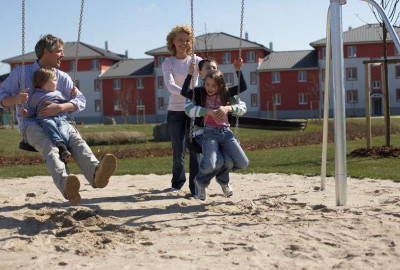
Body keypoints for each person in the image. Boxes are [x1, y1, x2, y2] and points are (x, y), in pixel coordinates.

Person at [0, 34, 117, 206]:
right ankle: (67, 184)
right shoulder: (21, 74)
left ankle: (96, 174)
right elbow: (1, 95)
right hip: (31, 124)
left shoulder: (62, 77)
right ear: (46, 52)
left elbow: (81, 100)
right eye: (59, 51)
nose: (62, 55)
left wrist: (61, 107)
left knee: (76, 140)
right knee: (49, 144)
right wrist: (15, 99)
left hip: (60, 121)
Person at [182, 69, 249, 201]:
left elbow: (243, 107)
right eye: (207, 84)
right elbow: (187, 105)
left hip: (226, 133)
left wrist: (228, 108)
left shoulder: (226, 94)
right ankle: (201, 182)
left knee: (242, 162)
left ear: (220, 85)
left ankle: (221, 179)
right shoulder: (200, 94)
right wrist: (207, 111)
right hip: (209, 133)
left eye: (214, 85)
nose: (210, 88)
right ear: (203, 82)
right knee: (213, 164)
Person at [162, 25, 202, 195]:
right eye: (180, 39)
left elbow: (210, 74)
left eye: (187, 40)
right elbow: (171, 86)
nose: (183, 43)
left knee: (194, 149)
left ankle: (196, 186)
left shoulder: (196, 61)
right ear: (173, 41)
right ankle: (177, 183)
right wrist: (188, 91)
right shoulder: (168, 62)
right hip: (176, 111)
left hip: (193, 110)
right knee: (178, 149)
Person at [20, 67, 74, 163]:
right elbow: (32, 111)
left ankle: (64, 150)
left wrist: (72, 96)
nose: (57, 82)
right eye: (54, 80)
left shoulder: (58, 93)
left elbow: (66, 104)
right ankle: (60, 146)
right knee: (49, 124)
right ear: (43, 82)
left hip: (60, 118)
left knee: (64, 130)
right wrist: (26, 113)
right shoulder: (35, 96)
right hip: (45, 118)